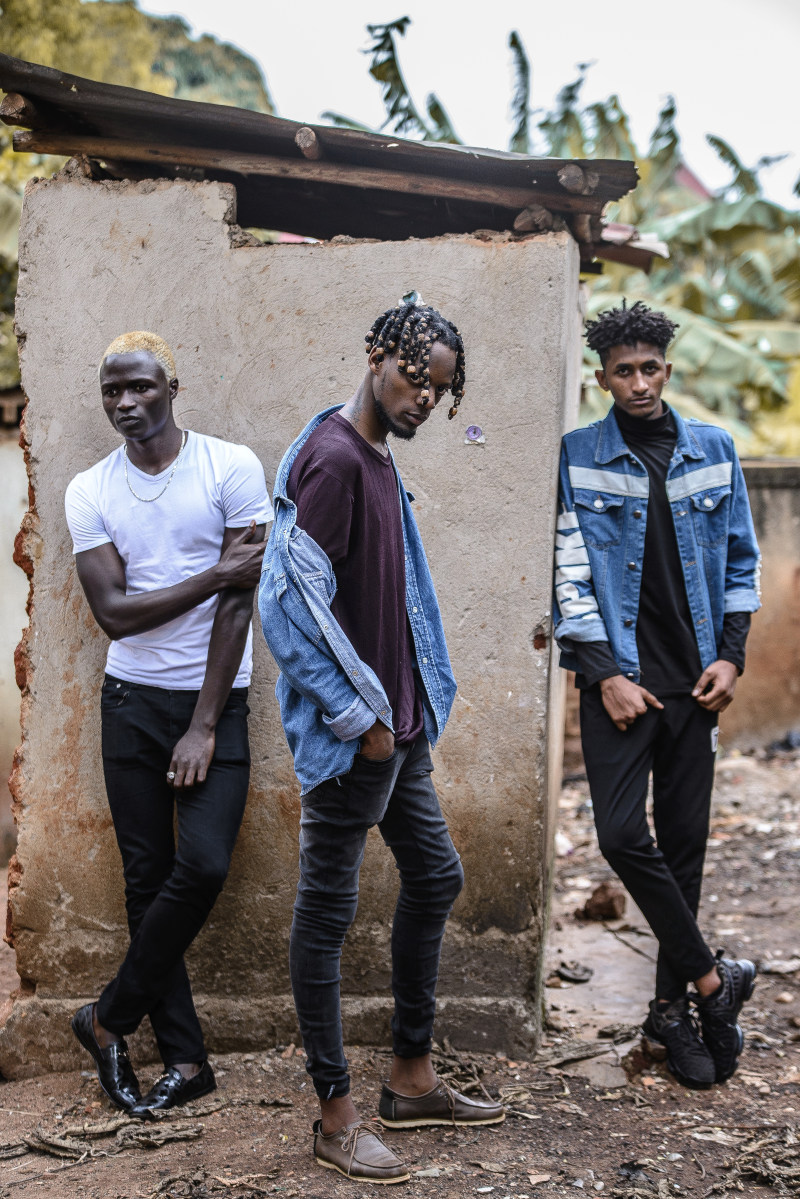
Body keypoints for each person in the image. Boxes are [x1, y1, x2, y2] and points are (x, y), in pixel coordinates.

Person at [259, 300, 504, 1184]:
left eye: (440, 390)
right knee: (324, 916)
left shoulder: (377, 459)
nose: (425, 400)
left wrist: (401, 716)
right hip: (356, 738)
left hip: (399, 730)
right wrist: (358, 720)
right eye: (415, 378)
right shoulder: (330, 458)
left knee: (436, 875)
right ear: (374, 357)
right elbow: (285, 608)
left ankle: (409, 1077)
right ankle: (334, 1116)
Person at [554, 300, 761, 1090]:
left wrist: (734, 658)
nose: (638, 383)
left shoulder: (715, 449)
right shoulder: (579, 456)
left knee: (684, 849)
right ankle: (716, 979)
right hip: (621, 684)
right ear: (601, 377)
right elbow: (569, 573)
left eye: (650, 368)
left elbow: (742, 562)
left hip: (696, 686)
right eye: (623, 371)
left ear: (668, 370)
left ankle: (673, 1011)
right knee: (617, 833)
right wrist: (604, 672)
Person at [65, 332, 270, 1115]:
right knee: (147, 881)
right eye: (113, 391)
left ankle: (108, 1017)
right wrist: (215, 571)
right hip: (131, 702)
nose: (126, 403)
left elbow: (240, 605)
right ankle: (187, 1059)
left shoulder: (230, 466)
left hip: (214, 700)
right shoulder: (91, 489)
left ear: (171, 387)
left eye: (140, 388)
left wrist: (206, 724)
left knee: (205, 865)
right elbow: (114, 615)